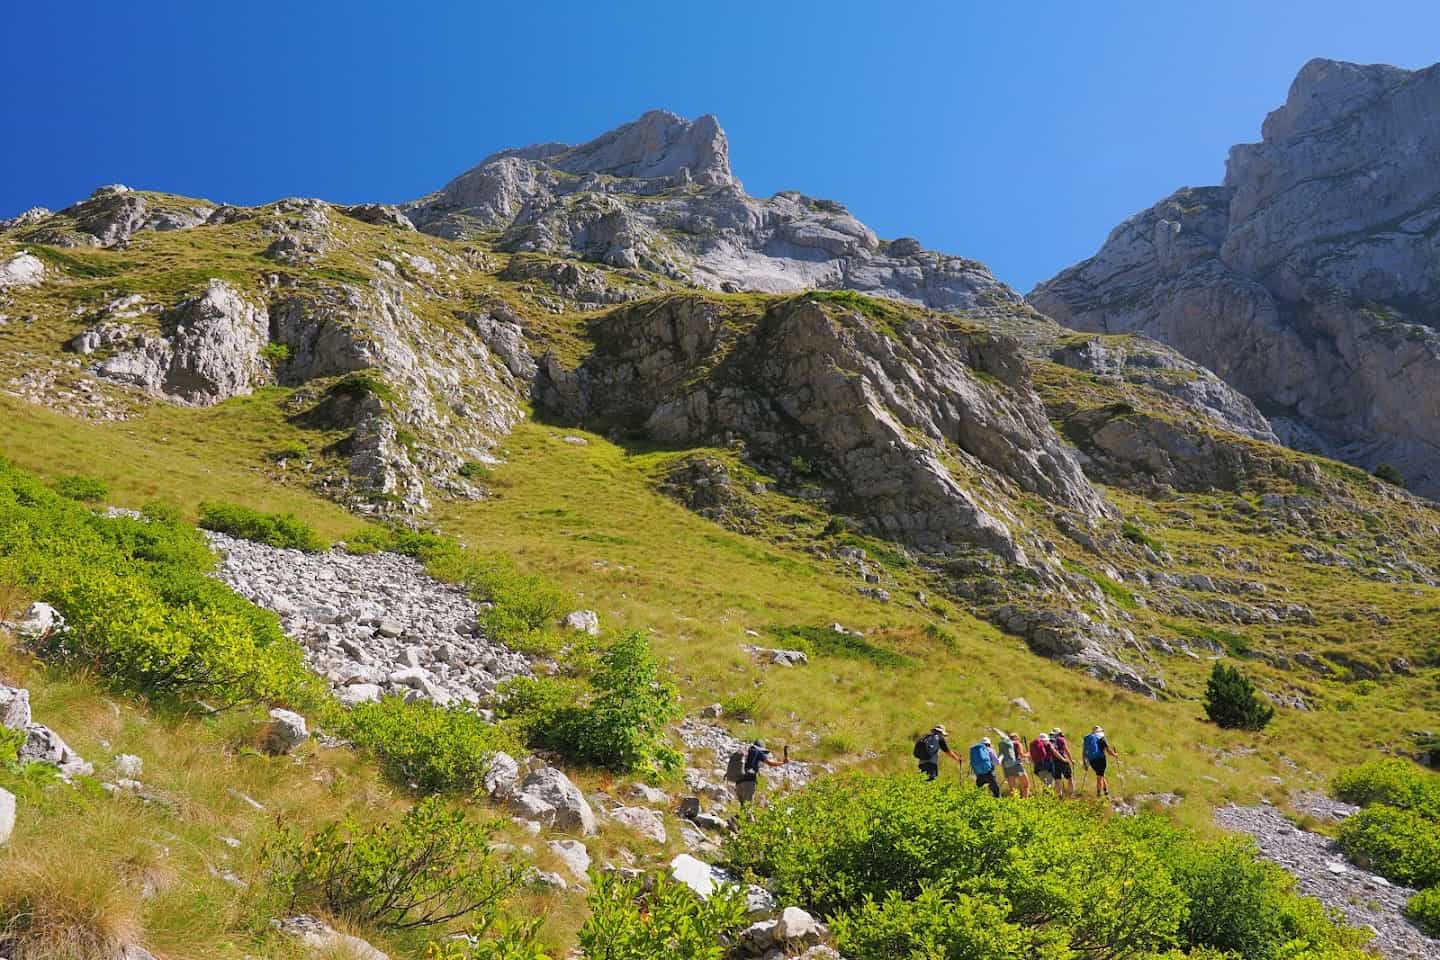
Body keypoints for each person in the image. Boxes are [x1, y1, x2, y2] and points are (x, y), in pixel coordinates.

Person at [736, 739, 788, 806]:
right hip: (749, 781)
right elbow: (770, 763)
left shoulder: (746, 751)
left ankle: (739, 816)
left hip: (738, 782)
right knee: (748, 807)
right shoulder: (758, 752)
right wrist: (783, 763)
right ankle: (748, 816)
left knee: (743, 806)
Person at [1082, 725, 1120, 798]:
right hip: (1101, 760)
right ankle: (1099, 795)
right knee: (1099, 777)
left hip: (1091, 760)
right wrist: (1115, 755)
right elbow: (1108, 751)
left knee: (1101, 775)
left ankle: (1106, 792)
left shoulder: (1088, 738)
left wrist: (1085, 762)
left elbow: (1084, 752)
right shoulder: (1102, 738)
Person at [998, 731, 1031, 798]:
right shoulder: (1017, 744)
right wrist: (1028, 754)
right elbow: (1022, 755)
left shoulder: (1005, 745)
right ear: (1016, 738)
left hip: (1007, 768)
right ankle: (1026, 802)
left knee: (1012, 788)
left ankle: (1013, 803)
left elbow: (1001, 757)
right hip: (1017, 766)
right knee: (1026, 785)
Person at [1049, 728, 1075, 799]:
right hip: (1063, 760)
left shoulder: (1050, 740)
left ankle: (1058, 796)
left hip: (1054, 761)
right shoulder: (1061, 739)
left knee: (1057, 779)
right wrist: (1071, 760)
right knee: (1069, 778)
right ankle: (1071, 794)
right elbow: (1066, 750)